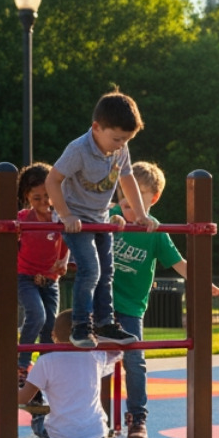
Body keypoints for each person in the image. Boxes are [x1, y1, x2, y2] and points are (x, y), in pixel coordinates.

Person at [110, 161, 219, 438]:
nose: (131, 199)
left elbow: (179, 264)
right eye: (126, 191)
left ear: (154, 198)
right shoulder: (110, 216)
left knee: (135, 362)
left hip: (130, 307)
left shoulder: (156, 233)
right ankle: (88, 419)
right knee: (85, 359)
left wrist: (204, 282)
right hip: (100, 302)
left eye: (140, 193)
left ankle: (137, 418)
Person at [46, 90, 159, 350]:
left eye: (126, 140)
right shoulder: (78, 149)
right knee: (91, 269)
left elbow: (127, 177)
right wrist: (65, 215)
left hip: (100, 217)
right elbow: (52, 180)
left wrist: (141, 215)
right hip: (77, 219)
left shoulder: (120, 149)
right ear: (96, 127)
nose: (121, 144)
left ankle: (106, 323)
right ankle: (81, 326)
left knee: (107, 271)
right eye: (117, 138)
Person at [16, 163, 68, 387]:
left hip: (50, 279)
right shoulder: (23, 219)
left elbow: (67, 246)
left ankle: (46, 368)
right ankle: (21, 364)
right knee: (37, 315)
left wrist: (63, 262)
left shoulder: (60, 219)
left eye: (48, 196)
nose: (44, 202)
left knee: (50, 326)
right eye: (37, 198)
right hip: (26, 276)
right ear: (27, 197)